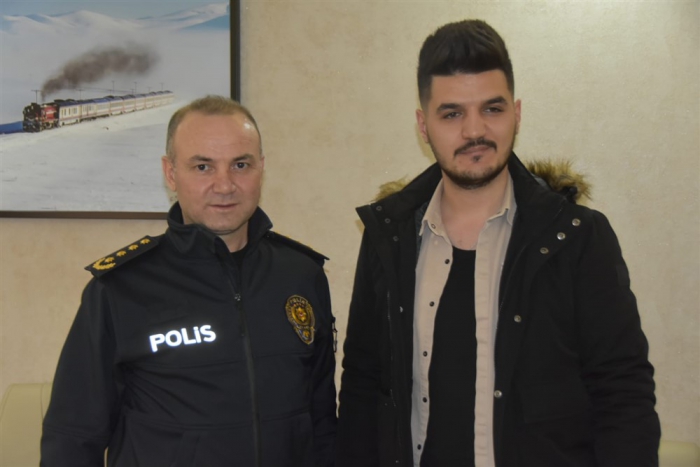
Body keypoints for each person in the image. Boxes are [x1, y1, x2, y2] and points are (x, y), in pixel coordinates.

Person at [336, 19, 660, 467]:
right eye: (452, 114)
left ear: (517, 113)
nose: (475, 131)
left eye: (492, 109)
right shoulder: (388, 238)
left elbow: (624, 392)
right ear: (423, 125)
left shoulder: (578, 238)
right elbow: (362, 385)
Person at [41, 96, 337, 467]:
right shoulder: (120, 288)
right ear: (170, 173)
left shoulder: (301, 274)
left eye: (240, 164)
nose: (224, 185)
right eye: (202, 166)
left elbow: (323, 423)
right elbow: (71, 440)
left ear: (261, 168)